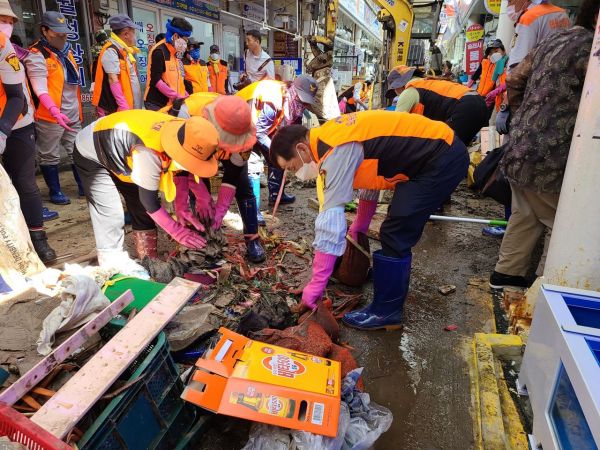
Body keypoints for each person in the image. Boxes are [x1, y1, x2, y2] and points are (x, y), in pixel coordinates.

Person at [270, 111, 469, 330]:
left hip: (440, 157)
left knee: (396, 231)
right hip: (434, 154)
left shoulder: (335, 148)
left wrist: (315, 287)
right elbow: (370, 182)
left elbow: (330, 225)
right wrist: (360, 226)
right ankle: (388, 279)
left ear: (301, 149)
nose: (296, 173)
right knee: (396, 227)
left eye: (292, 167)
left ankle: (387, 312)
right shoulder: (333, 136)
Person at [489, 0, 597, 289]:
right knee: (562, 224)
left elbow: (514, 79)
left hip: (522, 147)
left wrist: (524, 116)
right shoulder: (593, 50)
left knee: (525, 214)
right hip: (557, 155)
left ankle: (505, 275)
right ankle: (548, 289)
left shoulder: (558, 39)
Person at [74, 111, 220, 269]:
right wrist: (177, 231)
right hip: (92, 150)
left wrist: (182, 208)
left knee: (138, 203)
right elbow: (149, 202)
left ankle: (149, 259)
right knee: (110, 211)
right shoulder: (148, 153)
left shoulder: (187, 134)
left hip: (124, 149)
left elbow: (182, 171)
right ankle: (111, 262)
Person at [162, 93, 266, 262]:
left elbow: (233, 173)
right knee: (200, 192)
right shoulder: (186, 114)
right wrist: (202, 196)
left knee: (244, 188)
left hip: (226, 150)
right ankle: (204, 238)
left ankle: (252, 239)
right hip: (196, 152)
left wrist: (222, 209)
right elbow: (184, 167)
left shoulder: (243, 125)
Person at [0, 1, 56, 262]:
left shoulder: (5, 49)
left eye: (10, 21)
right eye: (3, 20)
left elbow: (17, 99)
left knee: (24, 182)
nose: (7, 26)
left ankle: (38, 239)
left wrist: (2, 132)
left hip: (17, 124)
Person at [237, 76, 318, 224]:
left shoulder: (292, 104)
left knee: (281, 158)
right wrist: (278, 151)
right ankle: (253, 212)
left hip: (263, 127)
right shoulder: (273, 100)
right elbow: (259, 132)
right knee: (254, 165)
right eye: (301, 100)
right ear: (293, 90)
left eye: (306, 102)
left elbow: (293, 131)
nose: (303, 105)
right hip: (243, 125)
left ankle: (275, 195)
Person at [28, 11, 84, 205]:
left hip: (72, 113)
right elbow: (40, 88)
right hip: (49, 115)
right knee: (49, 153)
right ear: (45, 31)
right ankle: (55, 191)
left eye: (64, 32)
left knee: (77, 149)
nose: (62, 35)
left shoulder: (67, 52)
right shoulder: (36, 55)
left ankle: (83, 185)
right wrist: (54, 110)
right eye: (57, 32)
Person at [497, 0, 570, 134]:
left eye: (510, 1)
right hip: (560, 92)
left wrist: (505, 106)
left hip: (533, 96)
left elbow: (516, 72)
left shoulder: (529, 18)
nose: (509, 5)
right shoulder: (562, 14)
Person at [10, 34, 59, 223]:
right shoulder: (36, 54)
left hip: (25, 122)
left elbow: (37, 88)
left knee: (26, 176)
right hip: (15, 123)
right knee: (20, 176)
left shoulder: (24, 59)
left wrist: (53, 110)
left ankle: (32, 213)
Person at [389, 66, 488, 146]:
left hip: (465, 107)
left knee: (444, 149)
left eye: (394, 88)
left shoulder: (409, 91)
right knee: (460, 151)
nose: (395, 92)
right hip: (479, 102)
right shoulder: (426, 82)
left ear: (399, 85)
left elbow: (397, 127)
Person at [92, 14, 143, 117]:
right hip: (117, 110)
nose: (135, 36)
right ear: (125, 34)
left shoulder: (124, 50)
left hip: (129, 109)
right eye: (134, 33)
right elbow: (112, 78)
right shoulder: (111, 50)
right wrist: (123, 105)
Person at [144, 17, 192, 110]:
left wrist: (184, 94)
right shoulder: (159, 51)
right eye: (185, 40)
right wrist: (175, 96)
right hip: (157, 104)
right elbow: (156, 80)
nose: (186, 43)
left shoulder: (175, 52)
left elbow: (177, 79)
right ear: (175, 36)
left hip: (172, 102)